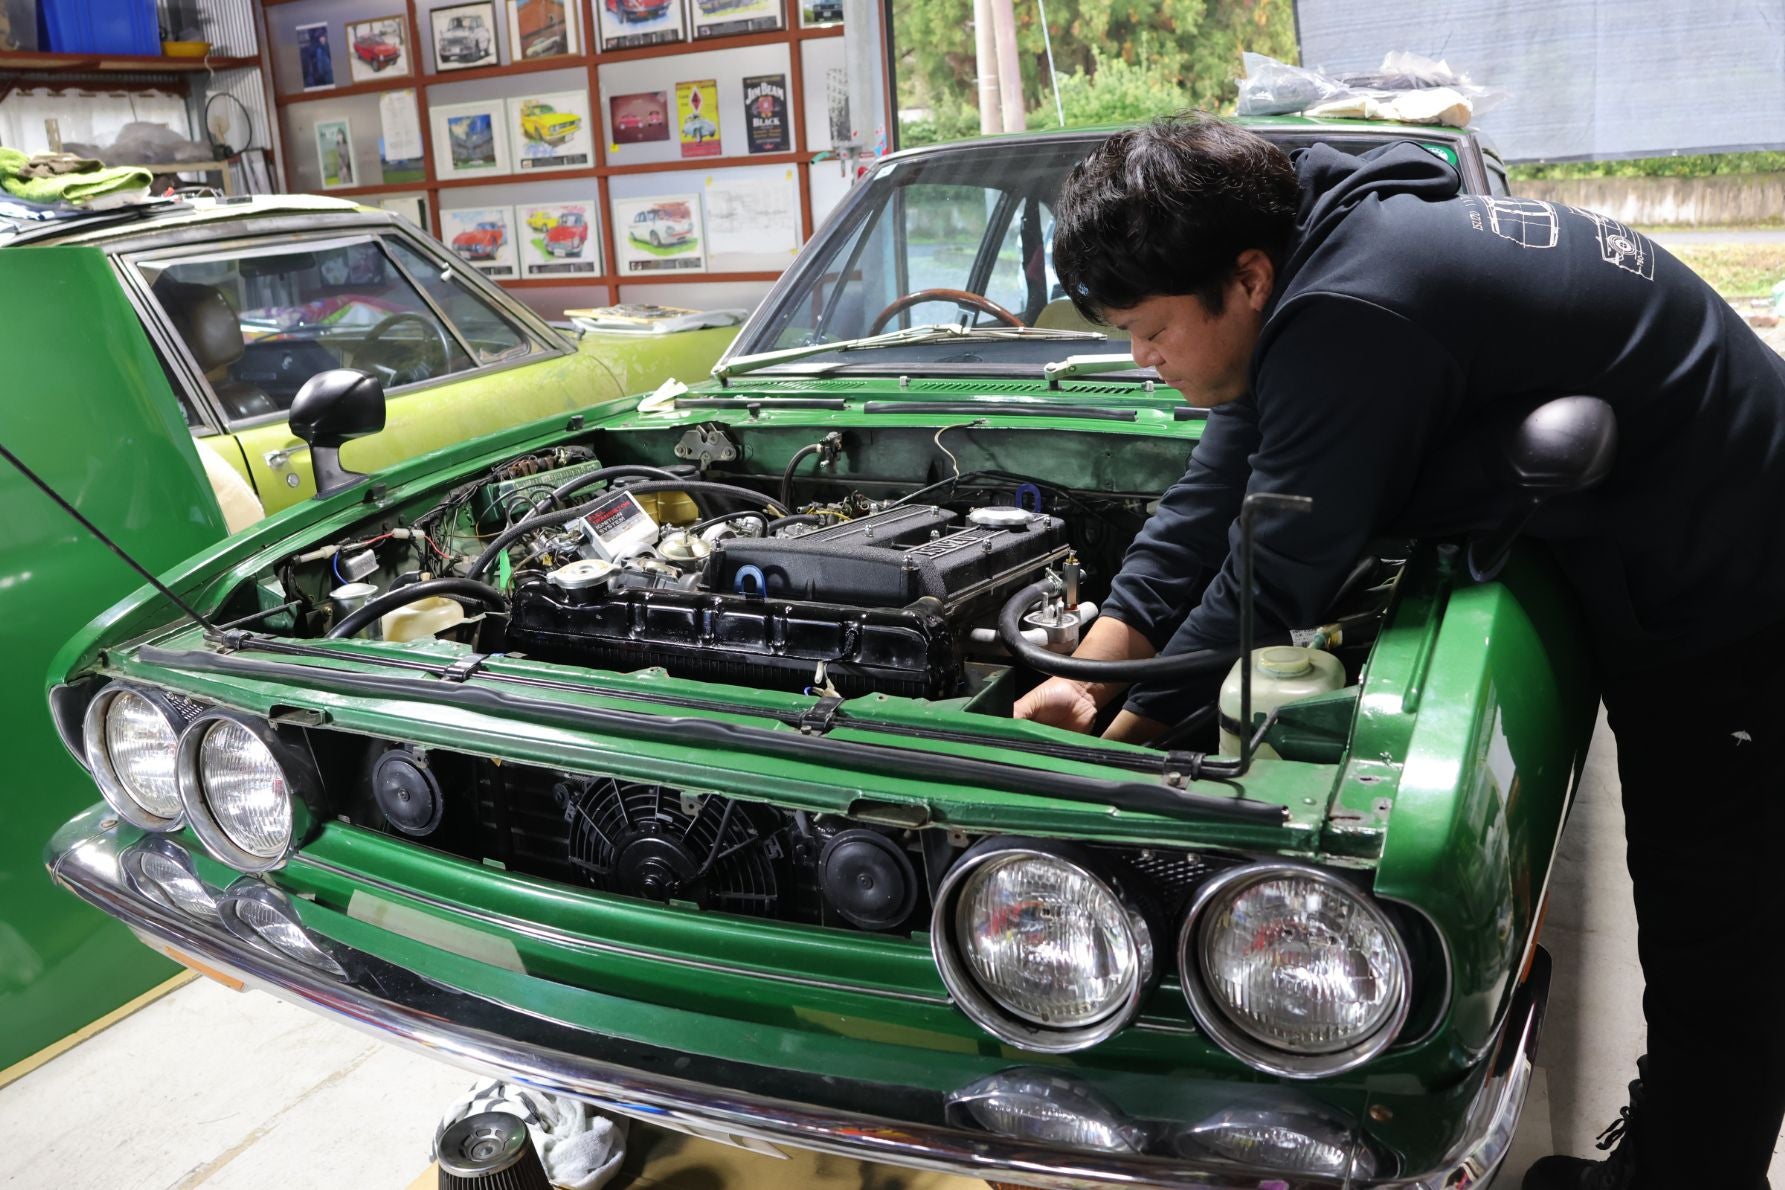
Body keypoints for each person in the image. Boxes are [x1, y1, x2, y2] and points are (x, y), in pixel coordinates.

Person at [1013, 112, 1785, 1190]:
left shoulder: (1349, 314)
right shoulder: (1305, 241)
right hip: (1657, 517)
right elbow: (1216, 489)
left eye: (1149, 330)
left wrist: (1125, 750)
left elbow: (1274, 572)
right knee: (1704, 900)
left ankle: (1694, 1174)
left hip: (1731, 567)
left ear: (1244, 277)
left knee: (1717, 911)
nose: (1142, 362)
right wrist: (1091, 670)